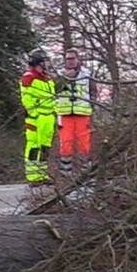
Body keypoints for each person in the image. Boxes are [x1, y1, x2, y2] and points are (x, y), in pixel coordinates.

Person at [55, 48, 96, 177]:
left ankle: (86, 174)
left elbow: (93, 92)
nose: (70, 61)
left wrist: (92, 107)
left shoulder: (87, 73)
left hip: (83, 114)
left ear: (78, 59)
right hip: (64, 114)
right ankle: (65, 175)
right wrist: (66, 78)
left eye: (72, 58)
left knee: (84, 145)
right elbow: (55, 89)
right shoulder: (59, 74)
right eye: (68, 59)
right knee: (65, 144)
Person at [19, 51, 56, 185]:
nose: (47, 64)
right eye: (45, 61)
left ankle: (42, 174)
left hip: (48, 117)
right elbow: (26, 98)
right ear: (38, 63)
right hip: (36, 118)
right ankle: (33, 177)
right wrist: (33, 114)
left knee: (45, 146)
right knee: (34, 146)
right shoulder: (29, 77)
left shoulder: (47, 78)